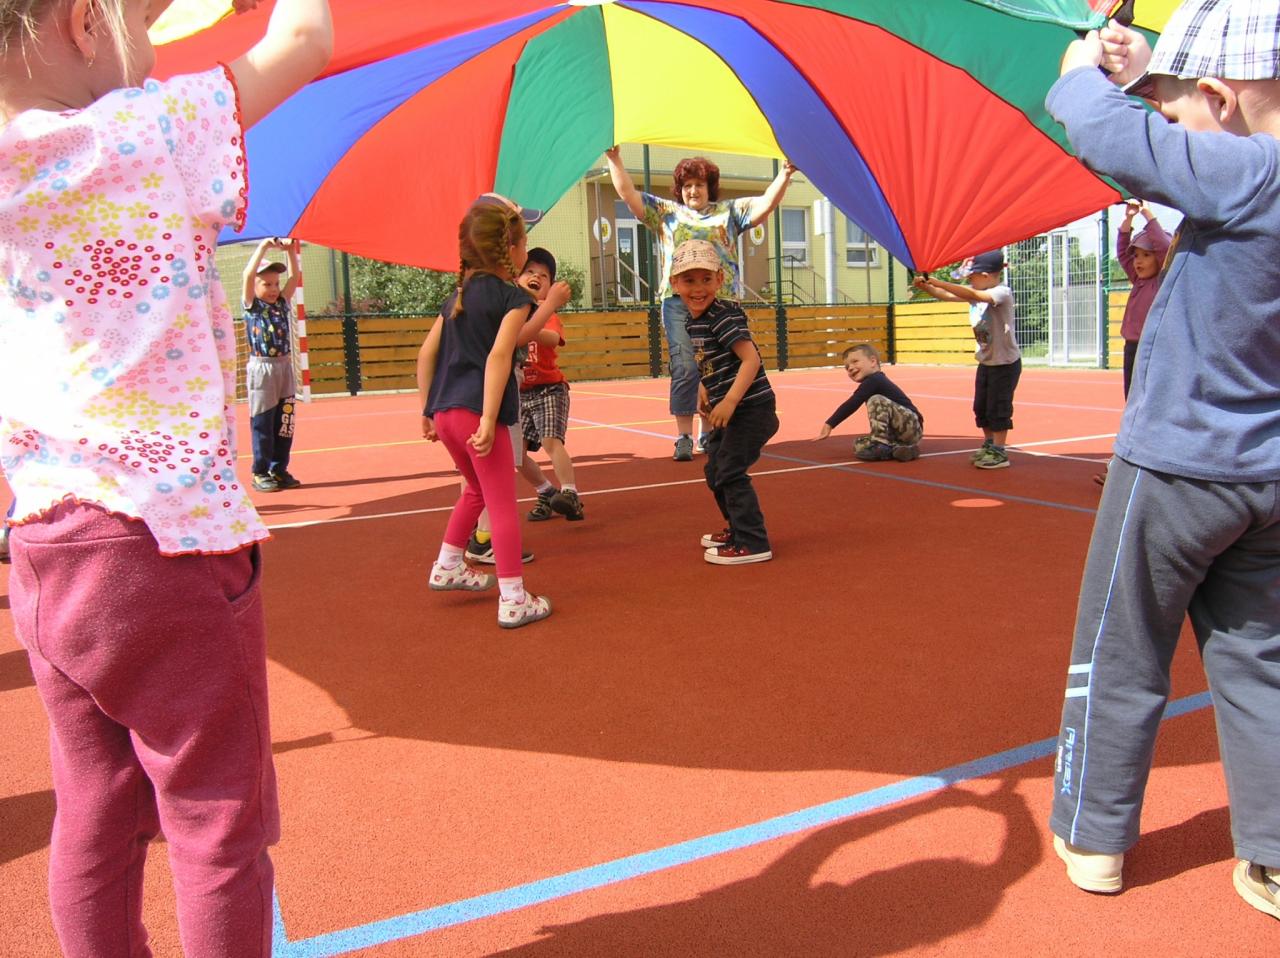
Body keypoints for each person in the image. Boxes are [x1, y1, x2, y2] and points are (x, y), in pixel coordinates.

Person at [0, 2, 333, 956]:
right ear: (82, 23)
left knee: (94, 808)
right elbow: (305, 40)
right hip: (164, 538)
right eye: (145, 18)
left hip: (47, 542)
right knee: (216, 817)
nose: (154, 47)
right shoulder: (147, 128)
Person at [1047, 1, 1280, 920]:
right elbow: (1185, 126)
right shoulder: (1252, 167)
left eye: (1178, 111)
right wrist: (1149, 71)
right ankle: (1273, 854)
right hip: (1269, 476)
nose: (1168, 125)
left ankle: (1095, 834)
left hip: (1178, 467)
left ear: (1221, 98)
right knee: (1260, 658)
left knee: (1121, 647)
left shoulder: (1251, 172)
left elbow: (1112, 136)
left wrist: (1081, 75)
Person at [417, 195, 570, 628]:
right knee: (501, 505)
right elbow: (501, 354)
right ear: (513, 250)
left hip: (445, 412)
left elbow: (426, 354)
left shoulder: (458, 296)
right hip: (475, 412)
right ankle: (514, 598)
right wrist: (488, 419)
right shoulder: (511, 297)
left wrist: (426, 410)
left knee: (475, 490)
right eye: (524, 244)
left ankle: (448, 564)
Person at [605, 146, 795, 461]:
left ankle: (710, 431)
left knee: (718, 365)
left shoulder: (729, 212)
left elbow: (765, 205)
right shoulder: (667, 213)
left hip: (722, 300)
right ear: (680, 190)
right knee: (685, 364)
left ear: (710, 188)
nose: (693, 190)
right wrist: (614, 159)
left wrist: (785, 174)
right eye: (687, 185)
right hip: (678, 301)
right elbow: (628, 195)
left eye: (700, 185)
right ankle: (684, 436)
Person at [668, 240, 778, 565]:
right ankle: (737, 529)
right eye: (689, 280)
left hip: (751, 410)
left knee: (729, 470)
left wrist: (729, 401)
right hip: (730, 411)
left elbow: (750, 360)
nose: (698, 288)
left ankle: (753, 542)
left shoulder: (722, 317)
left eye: (706, 279)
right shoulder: (694, 320)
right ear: (675, 284)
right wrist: (705, 387)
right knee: (715, 468)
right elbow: (712, 359)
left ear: (719, 279)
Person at [914, 250, 1021, 469]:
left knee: (998, 407)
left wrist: (938, 281)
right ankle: (989, 443)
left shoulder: (1001, 293)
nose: (969, 281)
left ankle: (999, 451)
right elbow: (946, 295)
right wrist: (926, 286)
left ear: (986, 275)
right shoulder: (975, 293)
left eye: (971, 277)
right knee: (981, 406)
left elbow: (973, 294)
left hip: (1004, 364)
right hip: (986, 362)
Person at [515, 247, 584, 522]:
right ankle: (545, 491)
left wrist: (533, 322)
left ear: (550, 288)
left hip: (549, 389)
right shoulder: (512, 313)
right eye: (530, 271)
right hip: (520, 393)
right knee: (515, 453)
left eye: (543, 275)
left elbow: (553, 338)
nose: (536, 276)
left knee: (550, 441)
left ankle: (570, 492)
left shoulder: (546, 313)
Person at [242, 236, 303, 492]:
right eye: (266, 284)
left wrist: (291, 251)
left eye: (276, 283)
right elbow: (247, 275)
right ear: (255, 286)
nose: (273, 288)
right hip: (262, 369)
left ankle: (279, 469)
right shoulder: (252, 306)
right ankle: (260, 471)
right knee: (263, 421)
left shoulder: (281, 303)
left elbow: (295, 277)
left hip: (284, 366)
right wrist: (263, 247)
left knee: (284, 421)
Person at [816, 344, 924, 462]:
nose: (850, 368)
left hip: (912, 425)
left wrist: (830, 424)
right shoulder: (871, 382)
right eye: (847, 367)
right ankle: (899, 449)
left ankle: (880, 444)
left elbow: (853, 403)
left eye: (855, 362)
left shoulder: (875, 379)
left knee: (876, 399)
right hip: (897, 434)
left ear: (873, 361)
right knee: (858, 444)